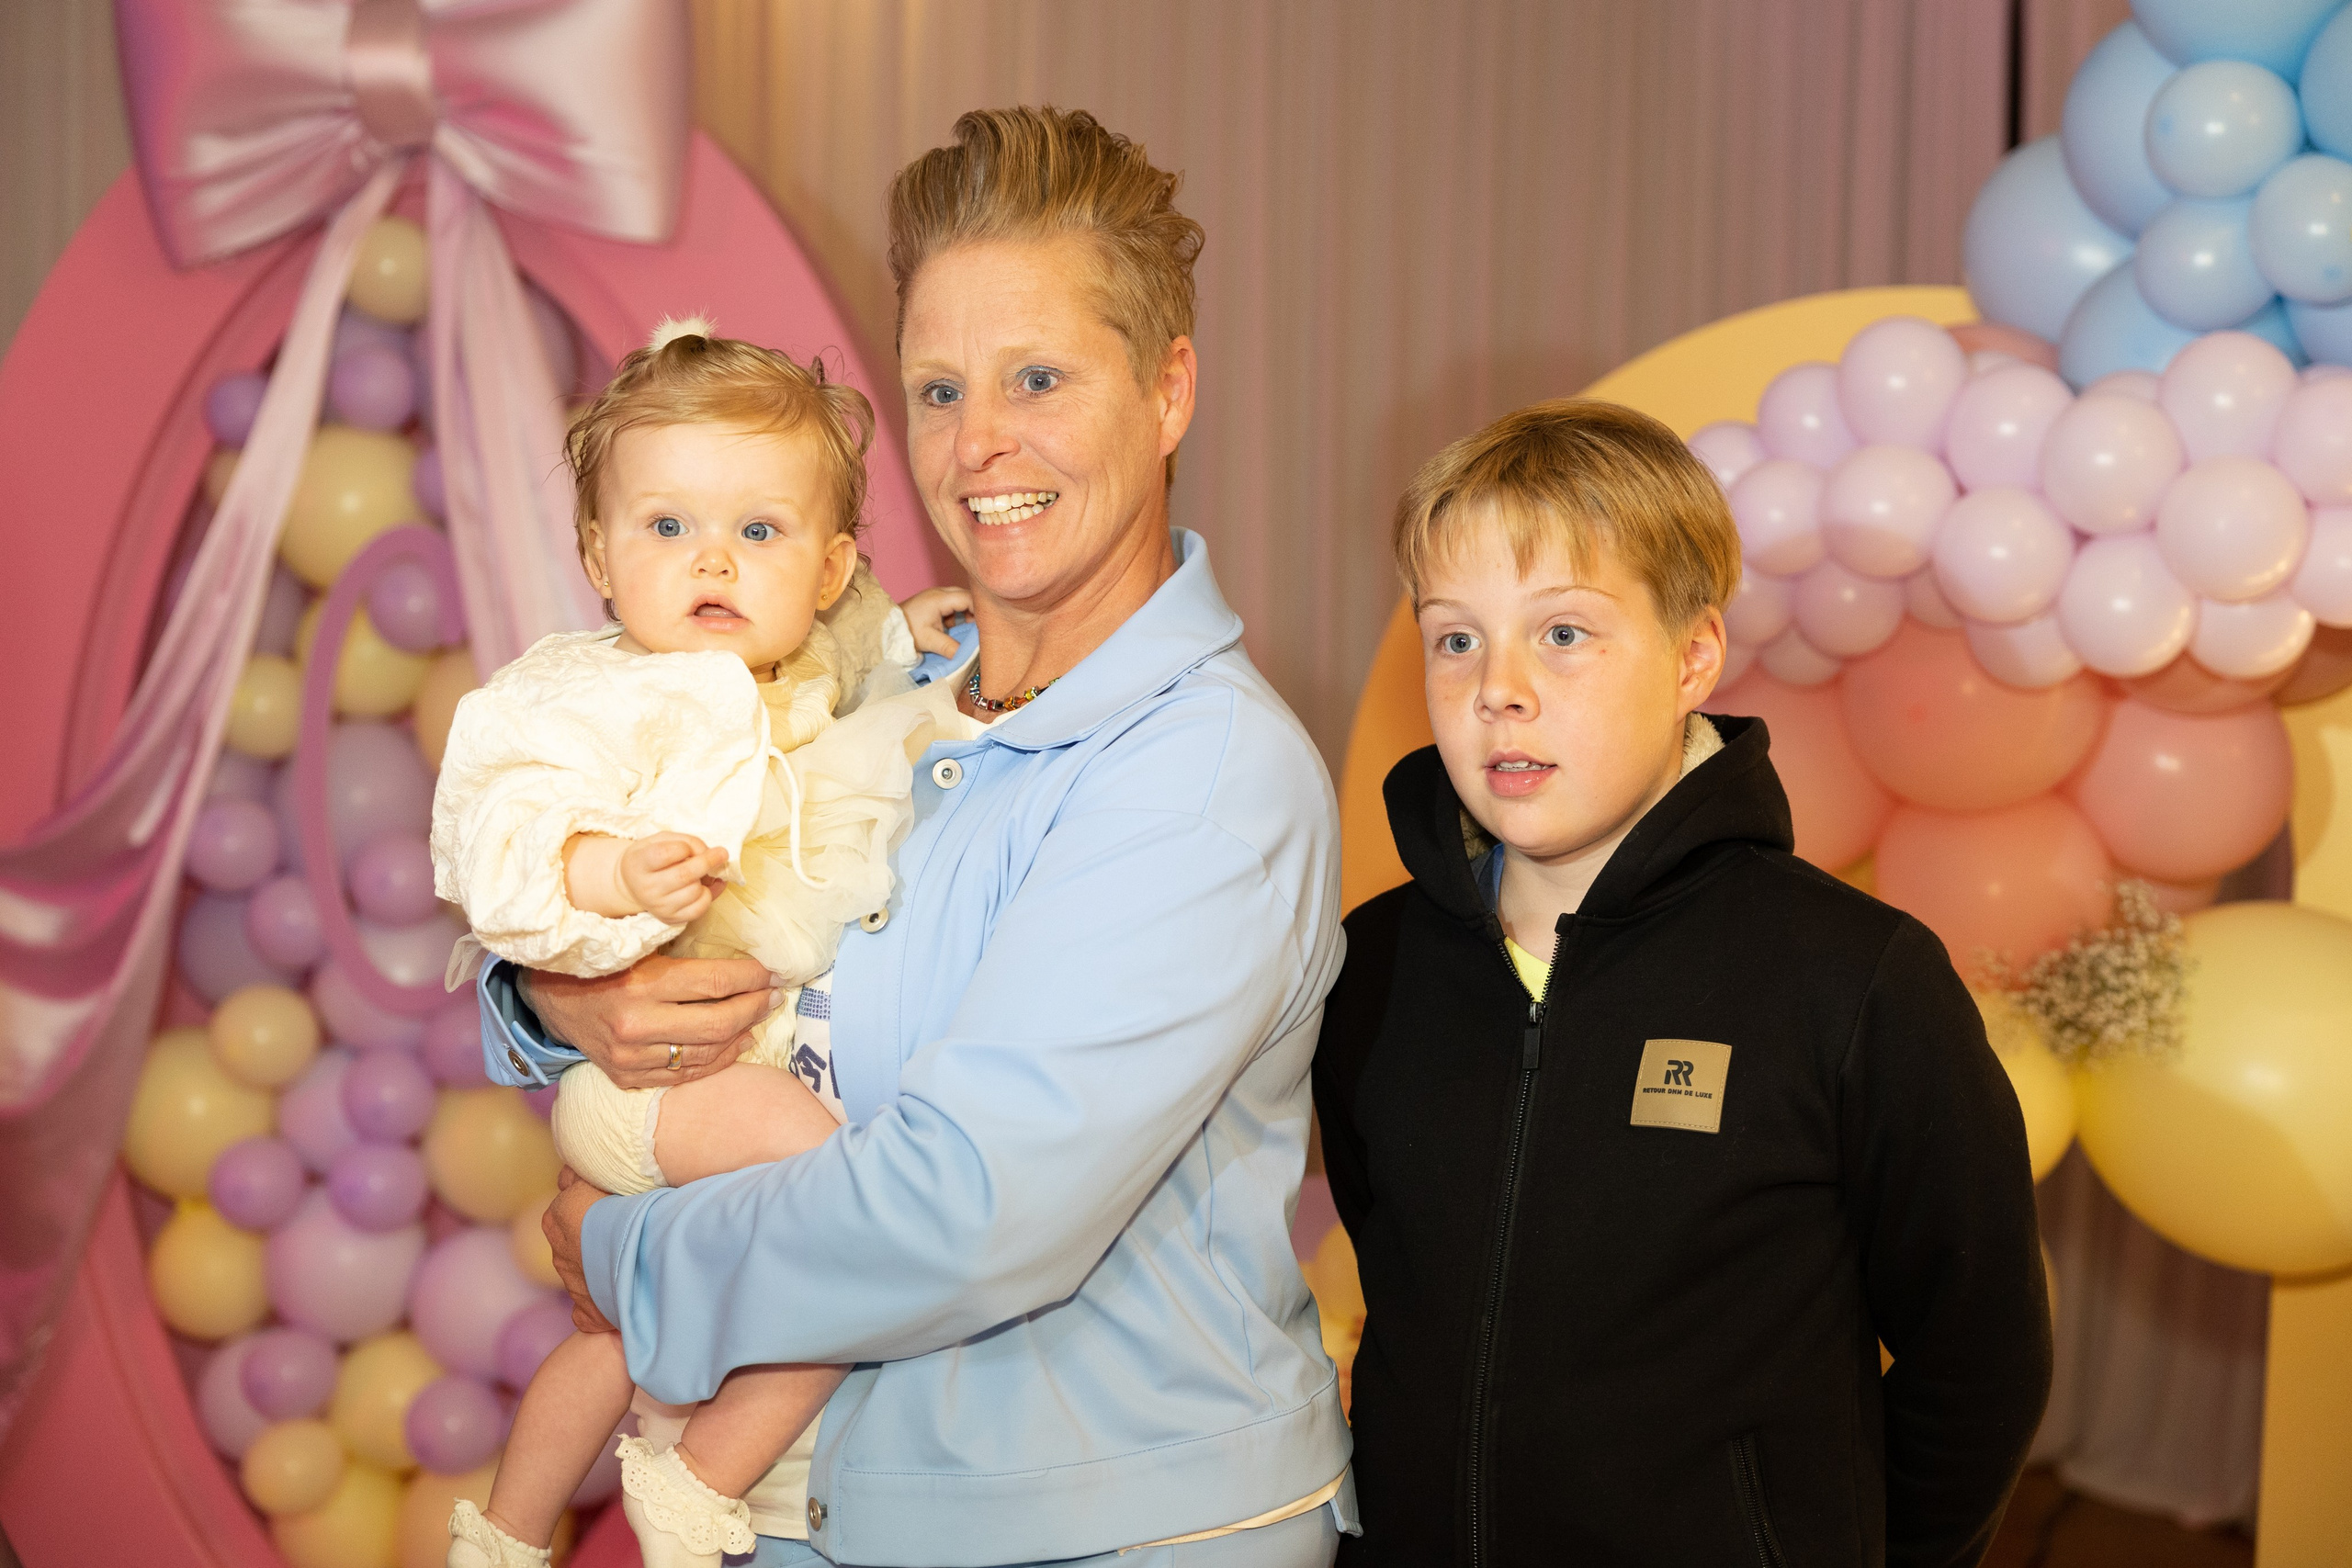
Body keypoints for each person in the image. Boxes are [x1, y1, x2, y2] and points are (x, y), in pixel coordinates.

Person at [481, 107, 1356, 1566]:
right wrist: (566, 997)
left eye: (1038, 378)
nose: (980, 444)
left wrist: (625, 1256)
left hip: (1106, 1528)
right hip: (817, 1511)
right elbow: (684, 929)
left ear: (1169, 387)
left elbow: (965, 1215)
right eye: (939, 388)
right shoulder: (872, 690)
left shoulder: (1203, 776)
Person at [1312, 400, 2052, 1566]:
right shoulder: (1375, 967)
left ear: (1692, 657)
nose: (1496, 688)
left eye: (1562, 634)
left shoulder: (1856, 982)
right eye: (1457, 638)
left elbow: (1981, 1363)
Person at [430, 321, 968, 1568]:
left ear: (832, 567)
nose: (713, 558)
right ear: (597, 556)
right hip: (649, 1086)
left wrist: (908, 634)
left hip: (709, 1086)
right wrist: (605, 870)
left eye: (760, 532)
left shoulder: (818, 666)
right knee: (862, 1210)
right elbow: (495, 840)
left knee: (615, 1335)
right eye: (667, 526)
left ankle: (505, 1534)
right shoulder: (586, 698)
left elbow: (878, 676)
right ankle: (695, 1476)